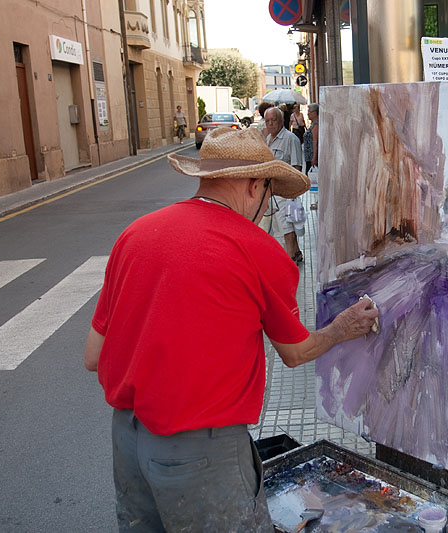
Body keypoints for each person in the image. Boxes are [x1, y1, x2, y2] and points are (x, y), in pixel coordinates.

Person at [83, 127, 379, 531]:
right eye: (270, 194)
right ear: (255, 186)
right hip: (202, 452)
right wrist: (342, 327)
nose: (267, 205)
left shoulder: (135, 235)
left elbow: (93, 356)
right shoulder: (257, 249)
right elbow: (295, 352)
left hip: (128, 440)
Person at [265, 106, 305, 263]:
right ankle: (296, 253)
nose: (270, 124)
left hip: (285, 191)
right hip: (272, 191)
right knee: (280, 226)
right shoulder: (268, 139)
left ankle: (289, 261)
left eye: (273, 120)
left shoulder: (290, 139)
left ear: (281, 121)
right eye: (267, 121)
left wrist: (293, 192)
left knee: (286, 227)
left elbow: (297, 167)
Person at [303, 103, 320, 210]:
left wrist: (314, 157)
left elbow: (315, 142)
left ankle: (319, 201)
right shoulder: (313, 124)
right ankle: (318, 200)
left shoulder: (316, 125)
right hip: (309, 156)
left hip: (313, 157)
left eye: (310, 112)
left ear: (315, 113)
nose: (308, 114)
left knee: (316, 180)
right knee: (314, 180)